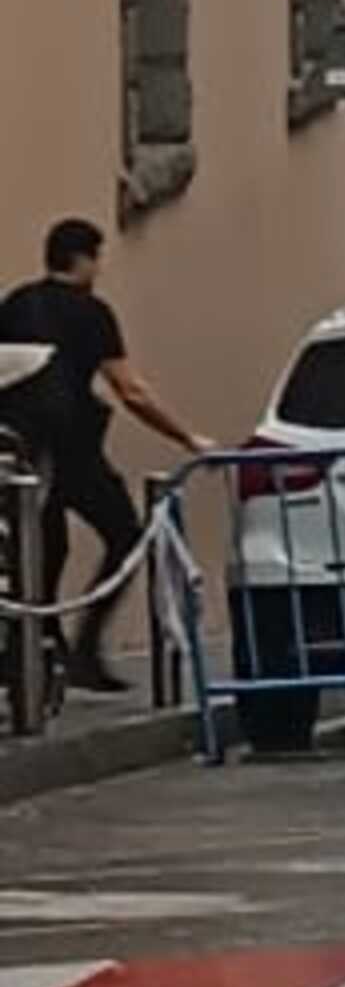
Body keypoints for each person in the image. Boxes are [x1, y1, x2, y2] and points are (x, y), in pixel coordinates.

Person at [0, 217, 202, 691]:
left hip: (20, 450)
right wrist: (186, 437)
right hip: (74, 449)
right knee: (125, 535)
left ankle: (38, 651)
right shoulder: (91, 312)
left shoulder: (16, 304)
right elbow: (131, 390)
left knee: (40, 549)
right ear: (85, 258)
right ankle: (84, 649)